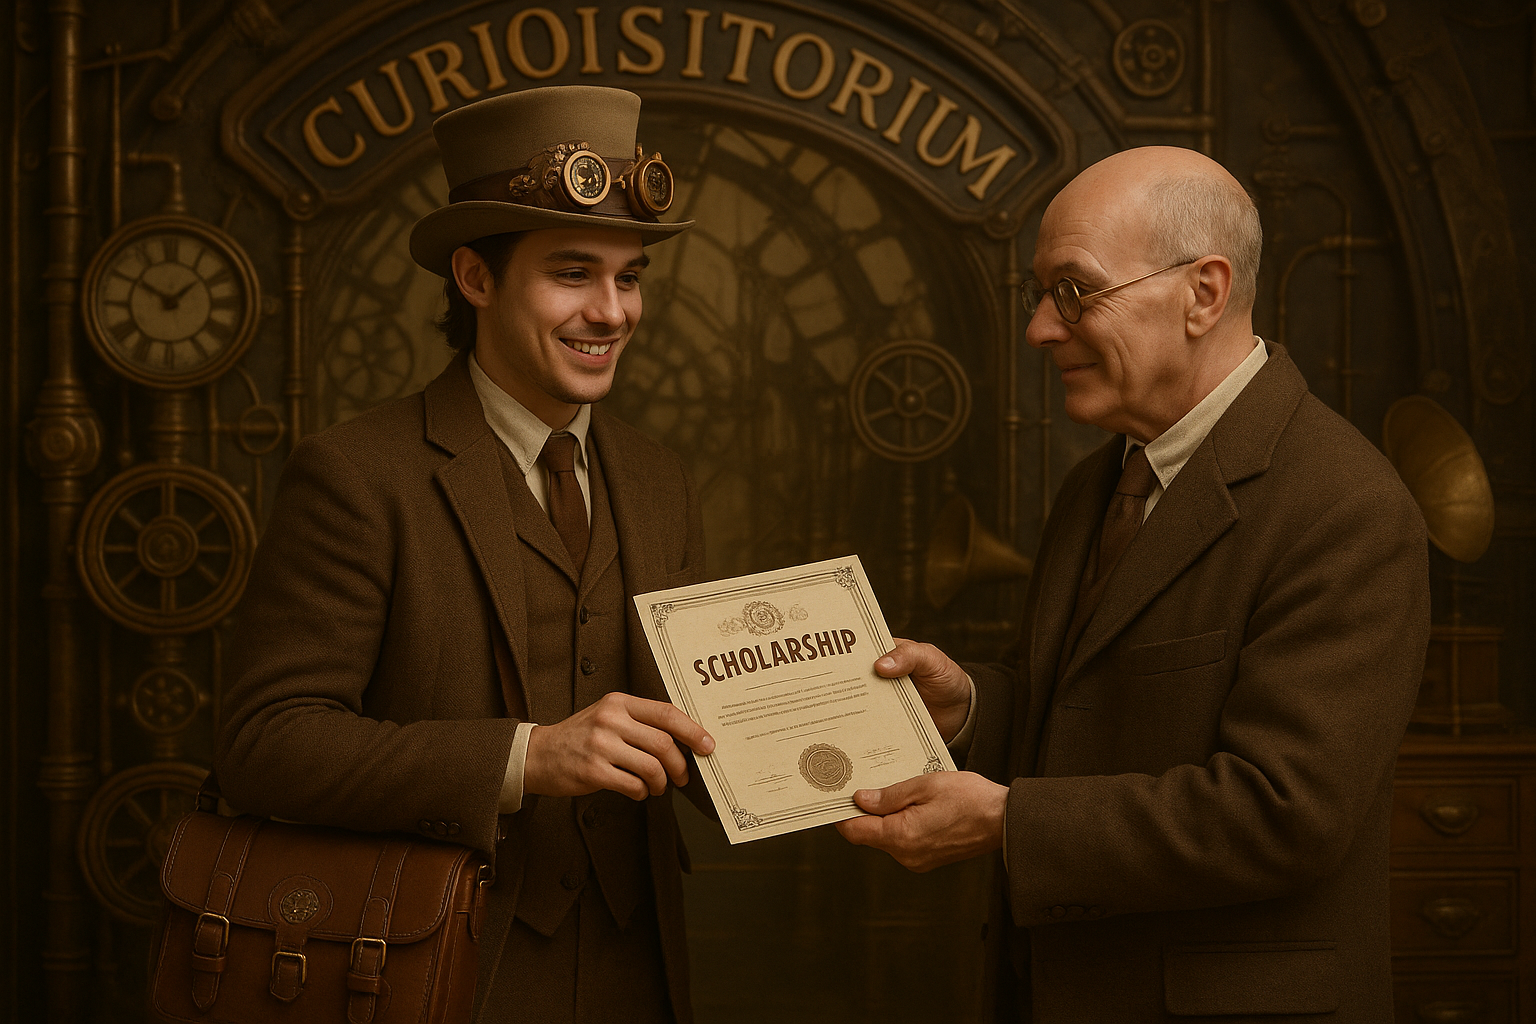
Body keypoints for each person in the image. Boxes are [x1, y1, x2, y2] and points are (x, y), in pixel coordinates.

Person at [837, 146, 1429, 1021]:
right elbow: (1089, 713)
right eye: (1041, 295)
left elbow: (1284, 812)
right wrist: (970, 707)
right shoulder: (1102, 480)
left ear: (1204, 293)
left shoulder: (1348, 508)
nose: (1042, 329)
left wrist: (1009, 823)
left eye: (1075, 291)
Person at [217, 86, 716, 1024]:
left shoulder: (659, 480)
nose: (611, 312)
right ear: (475, 278)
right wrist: (529, 757)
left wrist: (844, 726)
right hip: (430, 968)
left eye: (630, 277)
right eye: (573, 273)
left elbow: (701, 716)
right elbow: (265, 744)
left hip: (637, 972)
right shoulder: (357, 475)